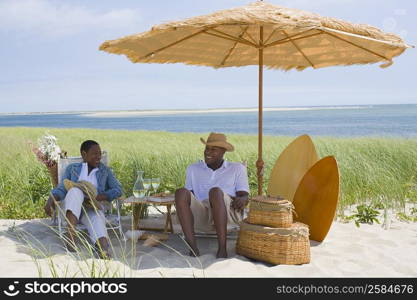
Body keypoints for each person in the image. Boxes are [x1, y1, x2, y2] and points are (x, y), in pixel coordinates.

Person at [175, 132, 249, 258]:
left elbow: (244, 195)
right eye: (207, 149)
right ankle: (193, 248)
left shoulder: (237, 168)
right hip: (203, 215)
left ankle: (222, 250)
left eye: (213, 150)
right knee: (180, 192)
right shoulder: (193, 169)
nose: (208, 152)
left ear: (223, 152)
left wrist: (243, 199)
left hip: (228, 212)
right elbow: (189, 198)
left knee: (215, 192)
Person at [44, 140, 122, 259]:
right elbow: (61, 188)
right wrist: (50, 199)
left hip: (91, 207)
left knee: (97, 218)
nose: (98, 157)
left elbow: (117, 189)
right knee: (75, 191)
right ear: (84, 154)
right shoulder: (72, 169)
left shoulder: (104, 171)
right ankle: (71, 238)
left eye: (100, 153)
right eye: (94, 154)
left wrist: (101, 196)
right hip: (73, 207)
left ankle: (103, 249)